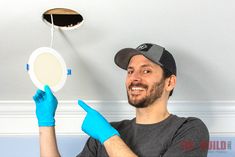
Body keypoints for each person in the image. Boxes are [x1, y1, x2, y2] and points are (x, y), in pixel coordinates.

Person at [33, 43, 209, 157]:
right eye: (130, 71)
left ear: (169, 82)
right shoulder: (106, 131)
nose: (134, 78)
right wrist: (46, 123)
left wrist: (108, 137)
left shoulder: (188, 130)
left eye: (146, 71)